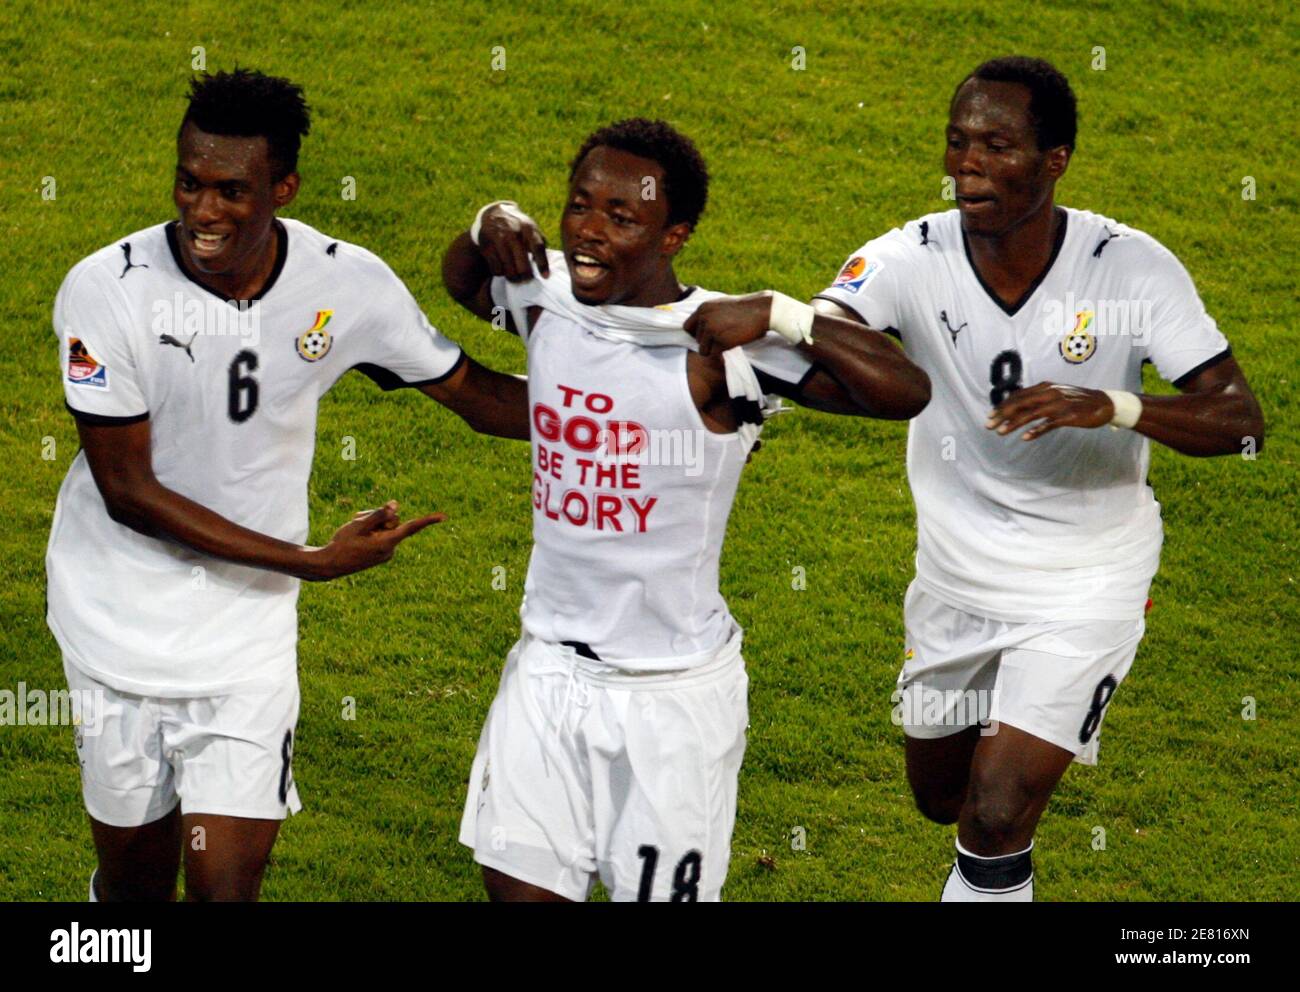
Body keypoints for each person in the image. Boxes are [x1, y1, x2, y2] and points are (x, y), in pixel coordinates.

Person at [47, 68, 530, 902]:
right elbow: (126, 490)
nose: (203, 211)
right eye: (188, 184)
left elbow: (475, 396)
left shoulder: (343, 284)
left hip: (245, 639)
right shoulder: (106, 291)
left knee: (228, 891)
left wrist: (647, 407)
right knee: (132, 894)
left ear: (285, 187)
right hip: (111, 622)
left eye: (231, 191)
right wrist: (305, 561)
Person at [809, 56, 1265, 900]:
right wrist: (777, 340)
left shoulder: (1130, 269)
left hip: (1085, 581)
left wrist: (1118, 408)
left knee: (994, 812)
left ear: (1056, 160)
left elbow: (1241, 423)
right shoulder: (909, 257)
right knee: (939, 797)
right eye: (956, 143)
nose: (967, 164)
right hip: (955, 580)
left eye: (996, 145)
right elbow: (821, 333)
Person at [442, 118, 930, 901]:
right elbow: (463, 280)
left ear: (674, 236)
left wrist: (780, 314)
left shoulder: (717, 344)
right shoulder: (551, 301)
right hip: (546, 672)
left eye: (620, 217)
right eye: (578, 206)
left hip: (671, 696)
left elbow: (904, 392)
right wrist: (489, 220)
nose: (589, 232)